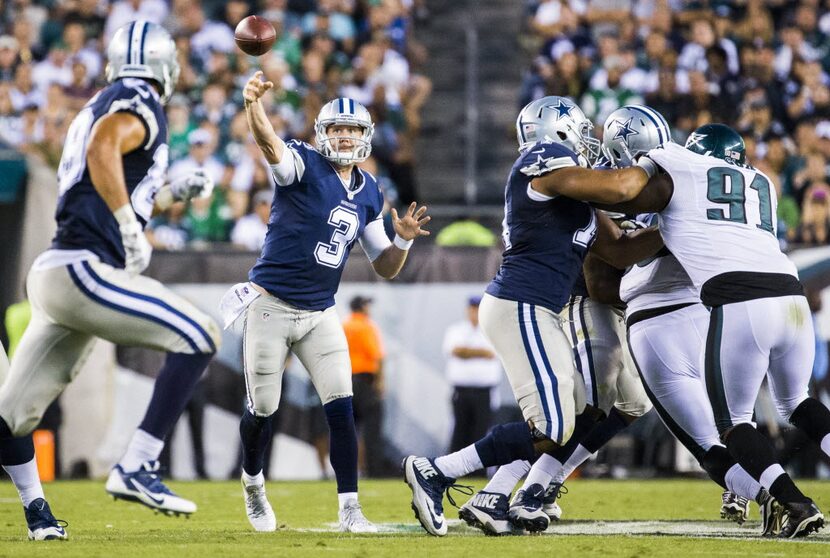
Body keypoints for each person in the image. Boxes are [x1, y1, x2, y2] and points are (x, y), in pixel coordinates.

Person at [403, 96, 664, 537]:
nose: (586, 141)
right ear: (556, 131)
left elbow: (619, 249)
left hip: (538, 309)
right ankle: (436, 471)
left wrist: (673, 231)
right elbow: (620, 189)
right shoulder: (545, 158)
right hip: (521, 303)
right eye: (579, 131)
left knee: (569, 420)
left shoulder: (574, 199)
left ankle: (475, 488)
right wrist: (653, 168)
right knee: (555, 425)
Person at [0, 21, 220, 541]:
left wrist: (164, 195)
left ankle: (37, 513)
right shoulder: (138, 97)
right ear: (163, 64)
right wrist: (129, 226)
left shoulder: (103, 99)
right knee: (200, 334)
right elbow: (103, 151)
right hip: (83, 268)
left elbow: (98, 180)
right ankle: (138, 463)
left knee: (10, 419)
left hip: (57, 273)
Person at [224, 72, 430, 533]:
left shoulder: (371, 190)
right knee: (263, 408)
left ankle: (350, 509)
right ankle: (253, 482)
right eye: (336, 128)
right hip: (270, 306)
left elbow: (386, 266)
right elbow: (269, 143)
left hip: (319, 312)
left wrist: (404, 241)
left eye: (352, 130)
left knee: (341, 406)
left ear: (365, 138)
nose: (343, 135)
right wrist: (253, 104)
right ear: (321, 134)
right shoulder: (302, 162)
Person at [606, 123, 830, 538]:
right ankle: (784, 499)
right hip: (792, 294)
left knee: (734, 424)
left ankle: (795, 504)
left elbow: (632, 195)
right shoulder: (760, 181)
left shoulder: (683, 169)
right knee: (798, 403)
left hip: (742, 300)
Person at [442, 295, 502, 453]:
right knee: (459, 431)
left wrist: (467, 351)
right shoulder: (456, 330)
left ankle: (479, 473)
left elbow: (491, 354)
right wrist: (480, 352)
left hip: (484, 392)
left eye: (478, 309)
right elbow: (455, 351)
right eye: (472, 309)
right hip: (461, 391)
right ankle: (454, 471)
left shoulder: (492, 330)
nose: (475, 312)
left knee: (481, 432)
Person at [342, 295, 385, 477]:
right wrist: (381, 382)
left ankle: (346, 470)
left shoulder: (344, 325)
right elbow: (377, 355)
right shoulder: (366, 326)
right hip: (365, 382)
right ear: (362, 307)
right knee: (371, 430)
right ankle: (372, 470)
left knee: (348, 430)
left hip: (345, 380)